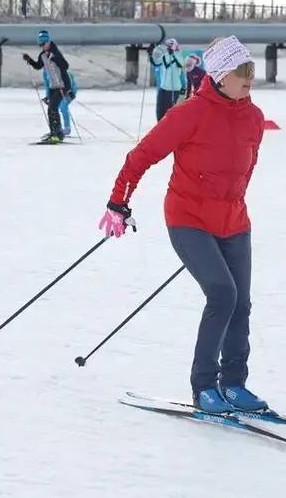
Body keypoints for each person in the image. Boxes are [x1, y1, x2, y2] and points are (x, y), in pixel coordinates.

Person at [99, 36, 268, 414]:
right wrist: (118, 202)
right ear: (221, 75)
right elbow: (141, 155)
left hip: (234, 221)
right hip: (188, 218)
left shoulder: (254, 118)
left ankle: (235, 384)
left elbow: (245, 169)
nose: (250, 79)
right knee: (223, 294)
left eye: (252, 71)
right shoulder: (189, 114)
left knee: (241, 303)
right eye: (243, 72)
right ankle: (204, 387)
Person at [23, 29, 71, 143]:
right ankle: (56, 132)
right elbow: (38, 66)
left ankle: (57, 134)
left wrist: (55, 59)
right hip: (53, 86)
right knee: (51, 109)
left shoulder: (56, 53)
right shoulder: (43, 55)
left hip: (63, 85)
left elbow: (65, 66)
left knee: (53, 107)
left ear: (48, 42)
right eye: (40, 44)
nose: (42, 46)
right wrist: (29, 60)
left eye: (43, 44)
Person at [149, 38, 186, 120]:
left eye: (170, 46)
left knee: (170, 111)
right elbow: (156, 63)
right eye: (167, 46)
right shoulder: (165, 56)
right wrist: (150, 54)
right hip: (163, 88)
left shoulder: (178, 55)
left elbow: (181, 64)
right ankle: (159, 125)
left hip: (173, 88)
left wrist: (173, 53)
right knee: (160, 110)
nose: (168, 48)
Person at [41, 67, 78, 137]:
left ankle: (67, 128)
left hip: (69, 90)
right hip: (56, 91)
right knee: (53, 108)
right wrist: (48, 97)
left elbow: (69, 78)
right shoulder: (45, 72)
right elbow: (47, 85)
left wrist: (69, 91)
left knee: (63, 106)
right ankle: (57, 129)